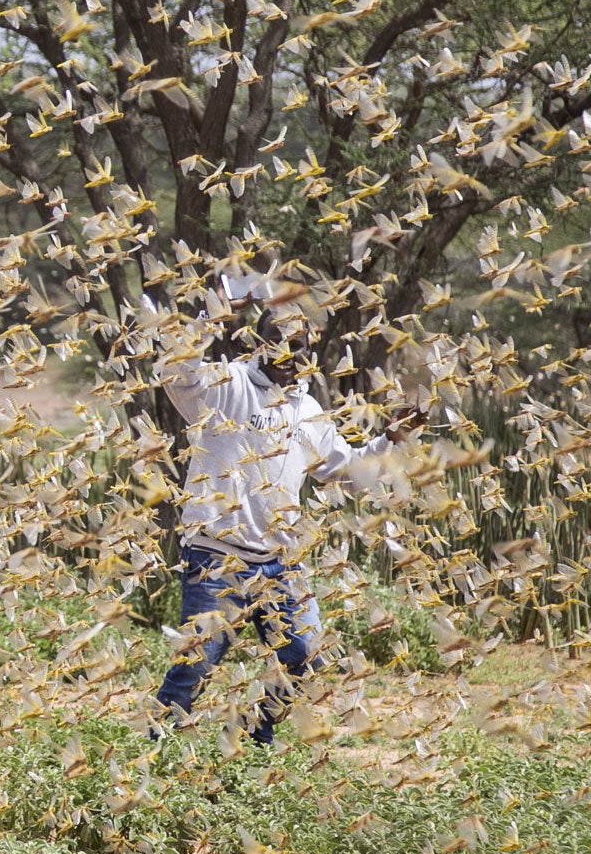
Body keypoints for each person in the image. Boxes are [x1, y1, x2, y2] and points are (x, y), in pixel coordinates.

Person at [148, 303, 422, 747]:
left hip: (281, 565)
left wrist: (390, 440)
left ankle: (253, 737)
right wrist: (205, 320)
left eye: (302, 347)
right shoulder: (228, 384)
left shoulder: (308, 409)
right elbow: (179, 374)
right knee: (195, 667)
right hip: (217, 558)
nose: (293, 355)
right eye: (282, 344)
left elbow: (347, 471)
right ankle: (149, 756)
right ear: (260, 344)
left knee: (306, 657)